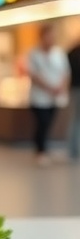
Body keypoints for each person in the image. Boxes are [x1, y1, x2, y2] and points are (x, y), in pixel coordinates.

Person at [27, 23, 69, 165]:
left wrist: (60, 87)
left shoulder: (59, 53)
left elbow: (65, 73)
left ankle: (43, 147)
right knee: (42, 122)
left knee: (49, 123)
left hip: (56, 96)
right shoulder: (34, 54)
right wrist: (50, 87)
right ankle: (40, 151)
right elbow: (34, 75)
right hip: (39, 97)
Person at [66, 38, 80, 160]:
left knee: (75, 120)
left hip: (74, 89)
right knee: (75, 120)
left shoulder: (71, 52)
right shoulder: (73, 53)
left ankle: (73, 149)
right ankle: (73, 149)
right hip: (76, 89)